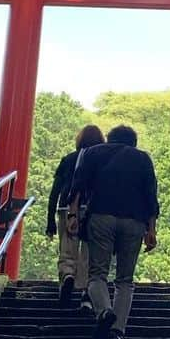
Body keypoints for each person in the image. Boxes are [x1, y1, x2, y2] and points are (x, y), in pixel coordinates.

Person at [68, 124, 159, 339]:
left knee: (97, 274)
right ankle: (118, 331)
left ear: (109, 139)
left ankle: (104, 311)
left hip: (101, 216)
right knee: (125, 279)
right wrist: (151, 229)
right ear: (133, 141)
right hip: (134, 221)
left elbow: (78, 184)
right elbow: (151, 195)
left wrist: (73, 213)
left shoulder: (94, 152)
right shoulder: (143, 159)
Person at [46, 123, 104, 308]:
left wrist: (50, 221)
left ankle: (67, 276)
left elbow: (55, 190)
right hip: (92, 209)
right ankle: (85, 292)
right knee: (88, 252)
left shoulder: (68, 159)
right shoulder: (101, 161)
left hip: (66, 208)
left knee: (67, 248)